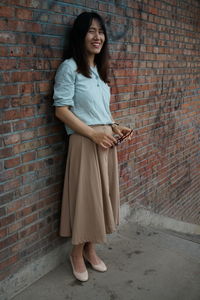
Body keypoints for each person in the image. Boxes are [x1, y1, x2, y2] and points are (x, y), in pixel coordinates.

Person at [53, 11, 132, 282]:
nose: (97, 36)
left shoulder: (99, 71)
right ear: (80, 35)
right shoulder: (69, 67)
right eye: (91, 31)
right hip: (85, 142)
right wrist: (93, 135)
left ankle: (91, 248)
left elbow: (100, 111)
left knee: (101, 197)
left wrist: (115, 126)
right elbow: (62, 110)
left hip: (105, 142)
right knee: (87, 199)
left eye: (100, 31)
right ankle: (76, 253)